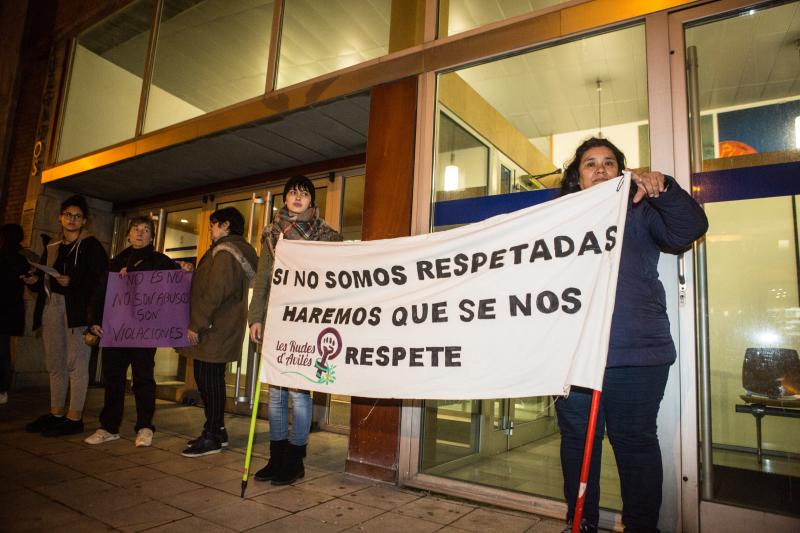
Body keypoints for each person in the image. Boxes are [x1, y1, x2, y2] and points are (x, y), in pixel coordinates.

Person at [555, 138, 708, 533]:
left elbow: (688, 230)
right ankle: (581, 522)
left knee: (636, 445)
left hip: (636, 354)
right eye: (590, 163)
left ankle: (641, 527)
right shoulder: (557, 219)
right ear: (577, 177)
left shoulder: (640, 211)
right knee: (577, 444)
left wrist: (665, 189)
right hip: (572, 356)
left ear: (623, 172)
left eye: (609, 162)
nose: (601, 168)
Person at [248, 175, 342, 485]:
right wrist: (255, 318)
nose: (297, 198)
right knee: (276, 394)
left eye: (303, 193)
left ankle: (295, 459)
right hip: (277, 321)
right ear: (285, 200)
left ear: (312, 201)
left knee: (300, 395)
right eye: (292, 193)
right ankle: (276, 457)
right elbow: (262, 281)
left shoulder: (327, 236)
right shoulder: (272, 236)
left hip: (307, 323)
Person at [84, 216, 192, 447]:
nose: (140, 233)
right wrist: (93, 321)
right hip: (116, 332)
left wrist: (184, 268)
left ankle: (144, 427)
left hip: (144, 333)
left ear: (152, 236)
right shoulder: (115, 262)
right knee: (113, 379)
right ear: (129, 234)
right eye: (136, 229)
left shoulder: (160, 261)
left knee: (143, 379)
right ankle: (108, 427)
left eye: (145, 230)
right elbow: (99, 294)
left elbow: (177, 283)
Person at [24, 195, 109, 436]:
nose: (72, 220)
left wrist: (73, 282)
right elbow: (43, 279)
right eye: (68, 215)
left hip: (78, 312)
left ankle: (75, 417)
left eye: (77, 216)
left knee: (76, 364)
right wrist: (33, 281)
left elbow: (100, 282)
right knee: (55, 363)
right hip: (52, 306)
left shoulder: (91, 246)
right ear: (60, 217)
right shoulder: (52, 246)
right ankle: (56, 412)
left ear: (84, 221)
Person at [181, 207, 257, 457]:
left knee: (209, 379)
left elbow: (215, 291)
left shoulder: (225, 252)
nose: (211, 229)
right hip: (222, 326)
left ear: (225, 226)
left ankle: (213, 435)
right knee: (210, 378)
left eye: (213, 225)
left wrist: (197, 323)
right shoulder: (234, 251)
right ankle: (217, 430)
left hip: (214, 327)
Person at [0, 224, 31, 405]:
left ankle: (3, 388)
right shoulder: (22, 257)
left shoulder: (15, 257)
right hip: (11, 310)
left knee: (2, 351)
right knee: (3, 350)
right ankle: (3, 388)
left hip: (5, 310)